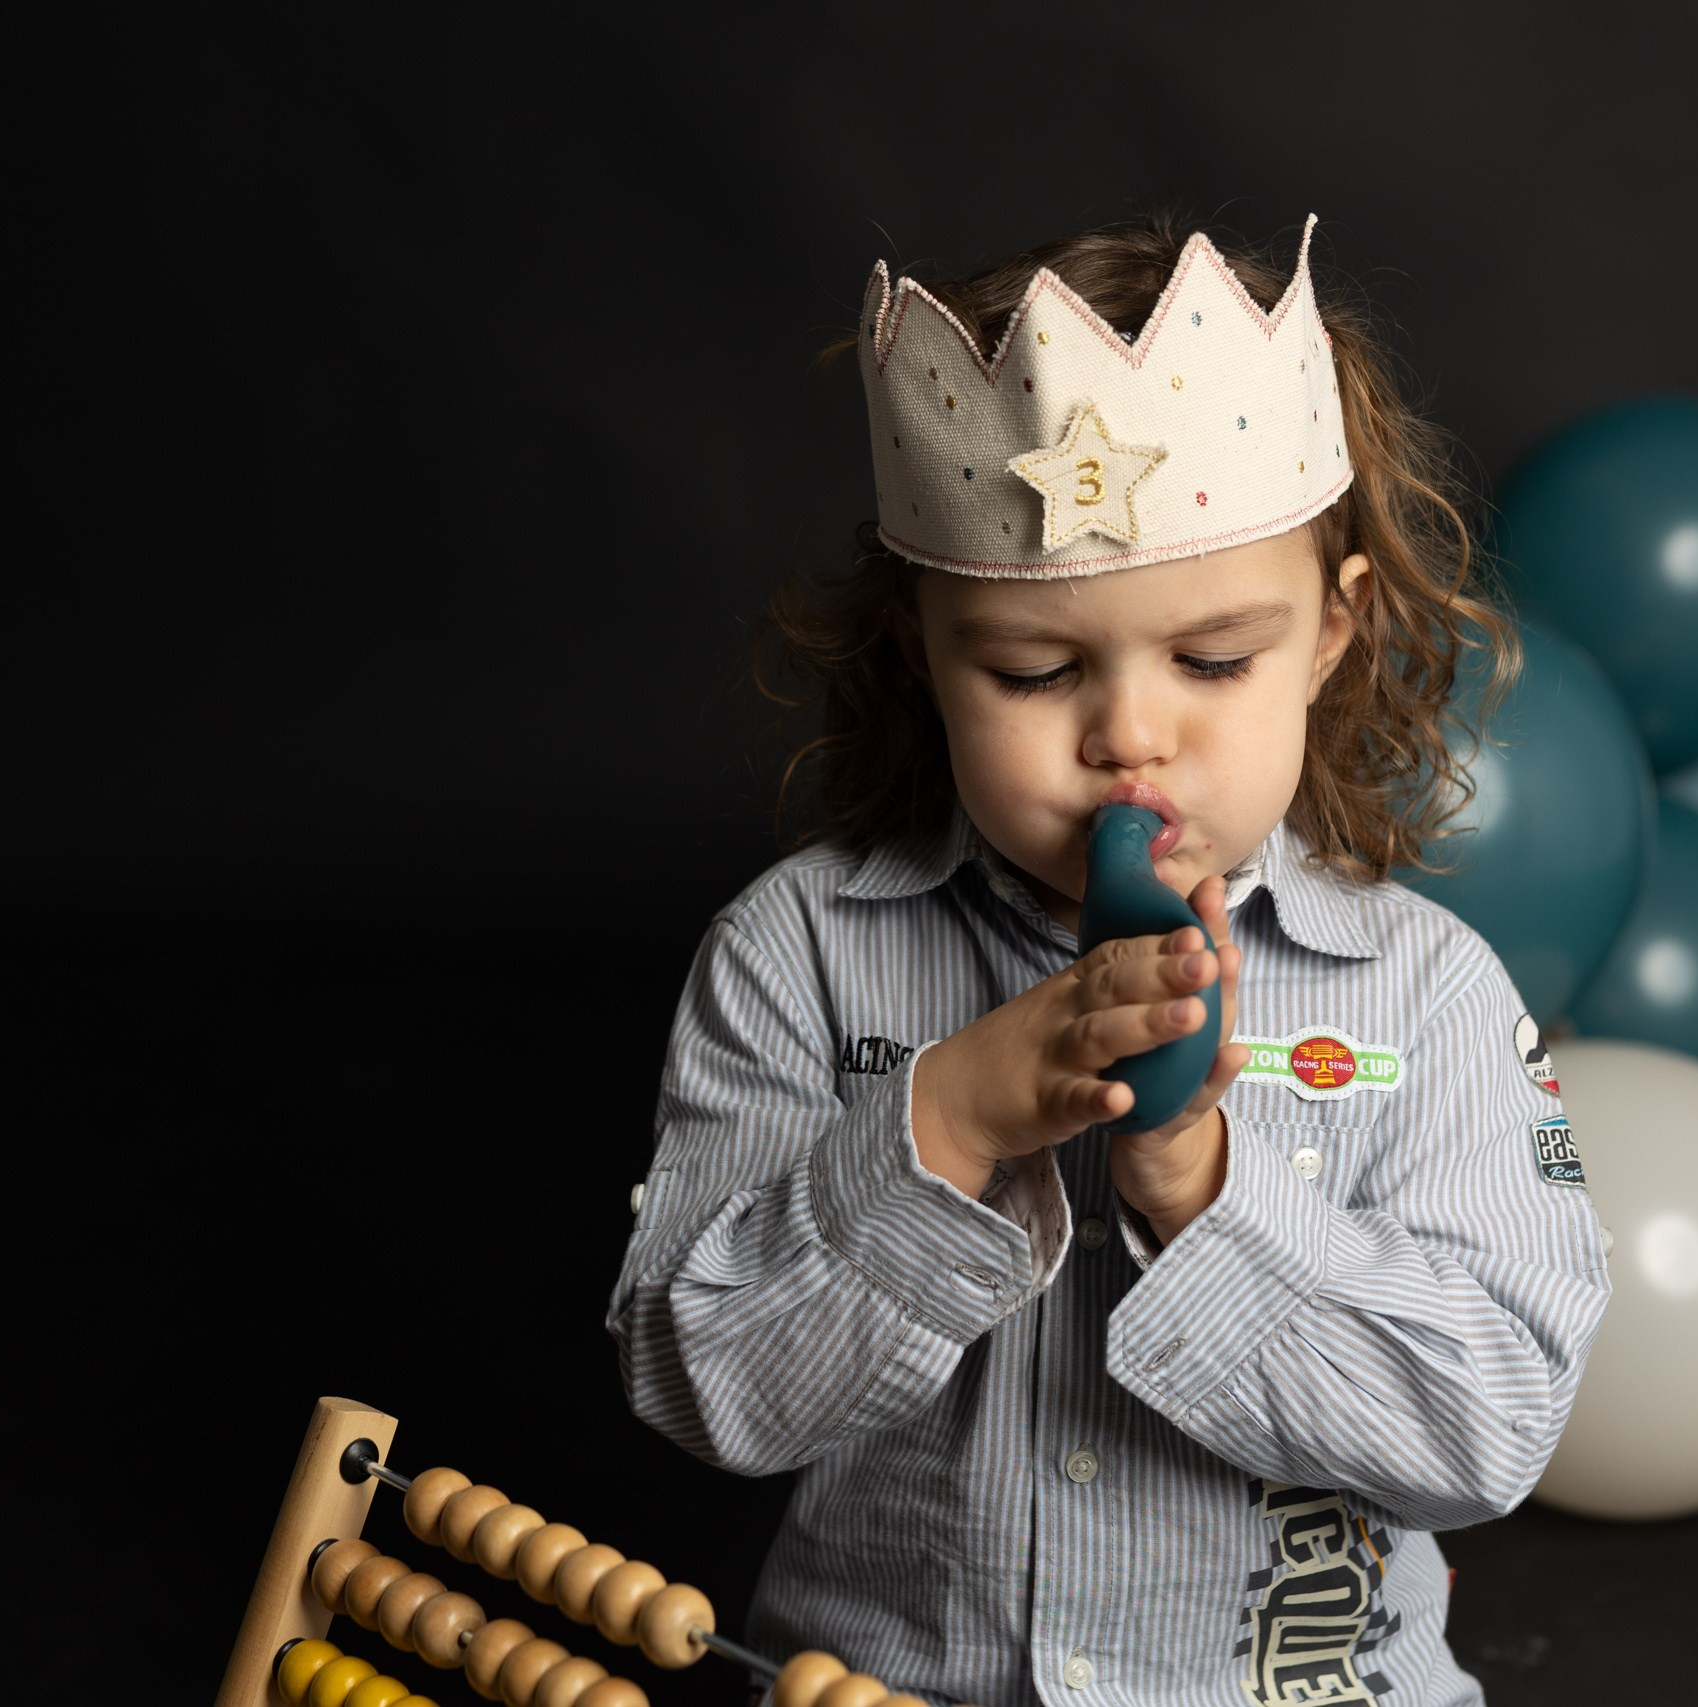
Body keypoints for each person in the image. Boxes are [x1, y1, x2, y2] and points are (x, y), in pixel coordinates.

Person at [606, 211, 1609, 1707]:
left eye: (1215, 661)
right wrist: (948, 1125)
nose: (1131, 735)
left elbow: (1490, 1431)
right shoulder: (795, 955)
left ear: (1331, 640)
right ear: (923, 651)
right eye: (1032, 669)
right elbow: (706, 1395)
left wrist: (1198, 1184)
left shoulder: (1428, 994)